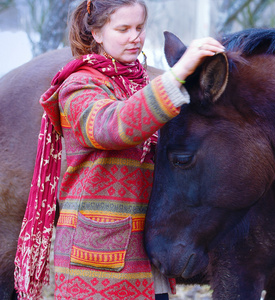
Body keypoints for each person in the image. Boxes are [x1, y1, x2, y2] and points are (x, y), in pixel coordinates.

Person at [13, 0, 225, 299]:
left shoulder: (142, 84)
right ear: (97, 33)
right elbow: (113, 127)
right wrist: (179, 72)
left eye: (139, 28)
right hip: (96, 261)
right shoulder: (79, 85)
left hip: (148, 256)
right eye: (122, 29)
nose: (134, 37)